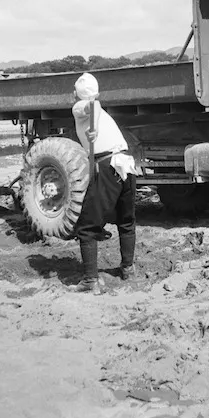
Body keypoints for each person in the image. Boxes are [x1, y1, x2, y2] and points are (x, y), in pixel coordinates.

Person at [71, 73, 139, 292]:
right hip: (126, 163)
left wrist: (95, 128)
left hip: (109, 165)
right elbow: (96, 104)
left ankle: (90, 280)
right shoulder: (101, 111)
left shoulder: (79, 106)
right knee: (126, 221)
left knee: (87, 227)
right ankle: (128, 268)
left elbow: (93, 105)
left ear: (75, 94)